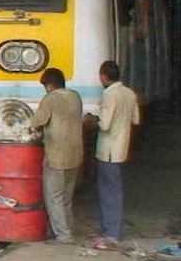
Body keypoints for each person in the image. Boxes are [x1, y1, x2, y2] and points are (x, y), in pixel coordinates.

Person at [84, 60, 140, 243]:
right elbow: (136, 120)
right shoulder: (129, 93)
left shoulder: (109, 95)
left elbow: (105, 125)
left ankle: (111, 233)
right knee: (112, 189)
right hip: (121, 148)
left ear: (104, 76)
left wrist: (92, 121)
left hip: (107, 150)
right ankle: (106, 229)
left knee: (110, 191)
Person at [29, 67, 83, 243]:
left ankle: (63, 235)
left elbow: (37, 122)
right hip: (75, 154)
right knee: (66, 197)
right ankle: (66, 229)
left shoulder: (50, 99)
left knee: (54, 197)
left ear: (50, 86)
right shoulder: (75, 96)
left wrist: (32, 127)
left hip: (57, 155)